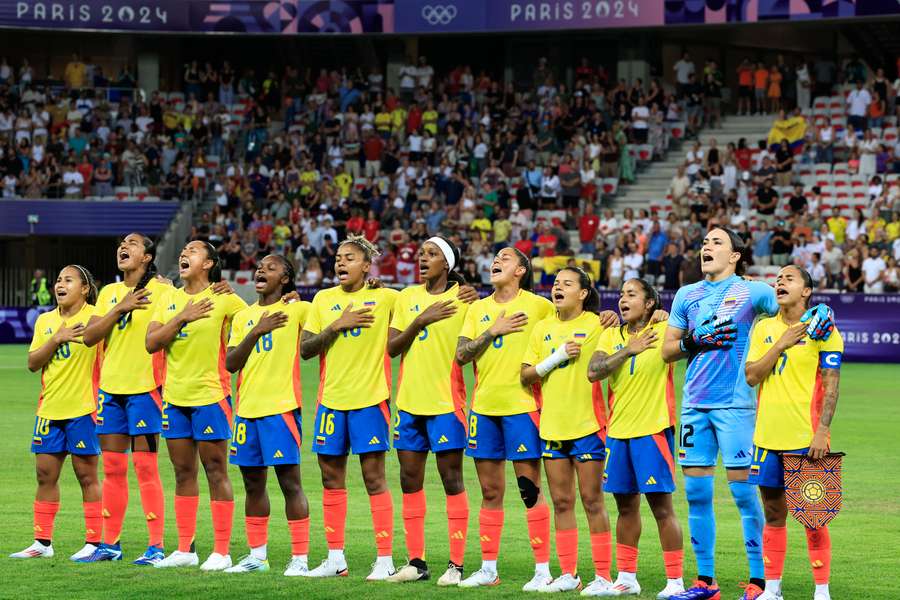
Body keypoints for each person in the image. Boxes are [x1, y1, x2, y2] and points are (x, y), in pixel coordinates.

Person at [663, 228, 835, 600]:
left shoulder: (754, 291)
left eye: (716, 242)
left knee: (744, 495)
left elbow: (793, 314)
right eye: (705, 242)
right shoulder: (686, 295)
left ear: (735, 255)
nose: (707, 247)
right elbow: (667, 350)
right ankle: (705, 583)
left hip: (736, 405)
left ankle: (760, 582)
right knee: (695, 492)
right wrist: (695, 340)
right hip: (694, 404)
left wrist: (822, 309)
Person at [299, 235, 398, 581]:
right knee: (330, 479)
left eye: (350, 258)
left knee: (374, 478)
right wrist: (337, 324)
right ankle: (335, 558)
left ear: (367, 266)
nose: (340, 263)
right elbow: (307, 349)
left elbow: (421, 302)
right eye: (338, 258)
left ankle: (385, 558)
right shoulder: (323, 300)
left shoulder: (385, 297)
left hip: (370, 400)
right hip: (330, 402)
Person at [146, 241, 248, 570]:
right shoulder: (170, 299)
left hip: (211, 397)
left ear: (209, 263)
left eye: (193, 250)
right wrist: (183, 317)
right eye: (183, 250)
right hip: (174, 398)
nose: (184, 254)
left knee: (216, 471)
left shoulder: (225, 299)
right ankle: (186, 549)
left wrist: (288, 299)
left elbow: (255, 319)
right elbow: (152, 342)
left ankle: (221, 551)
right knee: (182, 472)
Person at [744, 266, 843, 600]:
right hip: (766, 438)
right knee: (773, 514)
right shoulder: (764, 328)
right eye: (778, 279)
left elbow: (831, 385)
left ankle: (822, 591)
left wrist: (823, 431)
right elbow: (752, 376)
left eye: (789, 278)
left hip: (807, 439)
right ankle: (772, 589)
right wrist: (782, 344)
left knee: (814, 518)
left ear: (806, 291)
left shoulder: (824, 330)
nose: (780, 282)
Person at [588, 278, 685, 599]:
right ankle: (627, 577)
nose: (623, 299)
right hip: (617, 434)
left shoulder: (664, 331)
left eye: (632, 295)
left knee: (662, 508)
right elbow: (595, 371)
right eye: (622, 294)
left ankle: (675, 581)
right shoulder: (610, 334)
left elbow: (690, 332)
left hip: (653, 431)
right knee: (625, 507)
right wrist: (627, 350)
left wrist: (667, 316)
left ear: (648, 304)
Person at [385, 237, 473, 585]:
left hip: (446, 403)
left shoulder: (464, 299)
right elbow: (392, 348)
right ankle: (416, 563)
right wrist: (420, 320)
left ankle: (457, 564)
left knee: (451, 480)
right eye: (421, 253)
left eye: (432, 254)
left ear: (447, 264)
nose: (423, 258)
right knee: (410, 481)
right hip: (408, 403)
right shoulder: (407, 298)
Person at [519, 267, 613, 594]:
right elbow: (526, 376)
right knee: (561, 502)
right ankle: (569, 574)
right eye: (556, 283)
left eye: (567, 284)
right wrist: (557, 357)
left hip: (588, 425)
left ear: (583, 293)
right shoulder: (542, 328)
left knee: (592, 501)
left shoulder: (599, 324)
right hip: (552, 426)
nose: (558, 288)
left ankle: (603, 576)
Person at [78, 234, 170, 564]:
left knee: (146, 468)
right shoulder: (109, 293)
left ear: (147, 256)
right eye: (121, 243)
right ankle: (110, 545)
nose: (123, 247)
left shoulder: (163, 291)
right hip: (111, 391)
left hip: (146, 389)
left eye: (131, 243)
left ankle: (156, 547)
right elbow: (89, 337)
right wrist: (120, 307)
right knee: (113, 469)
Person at [223, 255, 312, 575]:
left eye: (271, 267)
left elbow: (325, 320)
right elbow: (231, 363)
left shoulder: (298, 309)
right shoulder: (244, 317)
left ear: (286, 279)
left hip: (281, 410)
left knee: (290, 484)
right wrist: (257, 330)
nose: (262, 270)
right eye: (260, 266)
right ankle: (257, 557)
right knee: (252, 485)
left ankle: (300, 559)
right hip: (246, 412)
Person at [12, 265, 103, 561]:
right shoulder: (45, 321)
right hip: (49, 409)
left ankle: (94, 541)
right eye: (59, 280)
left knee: (86, 476)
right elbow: (32, 363)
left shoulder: (96, 317)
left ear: (85, 288)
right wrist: (56, 339)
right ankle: (42, 542)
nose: (60, 285)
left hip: (84, 408)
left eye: (68, 280)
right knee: (44, 476)